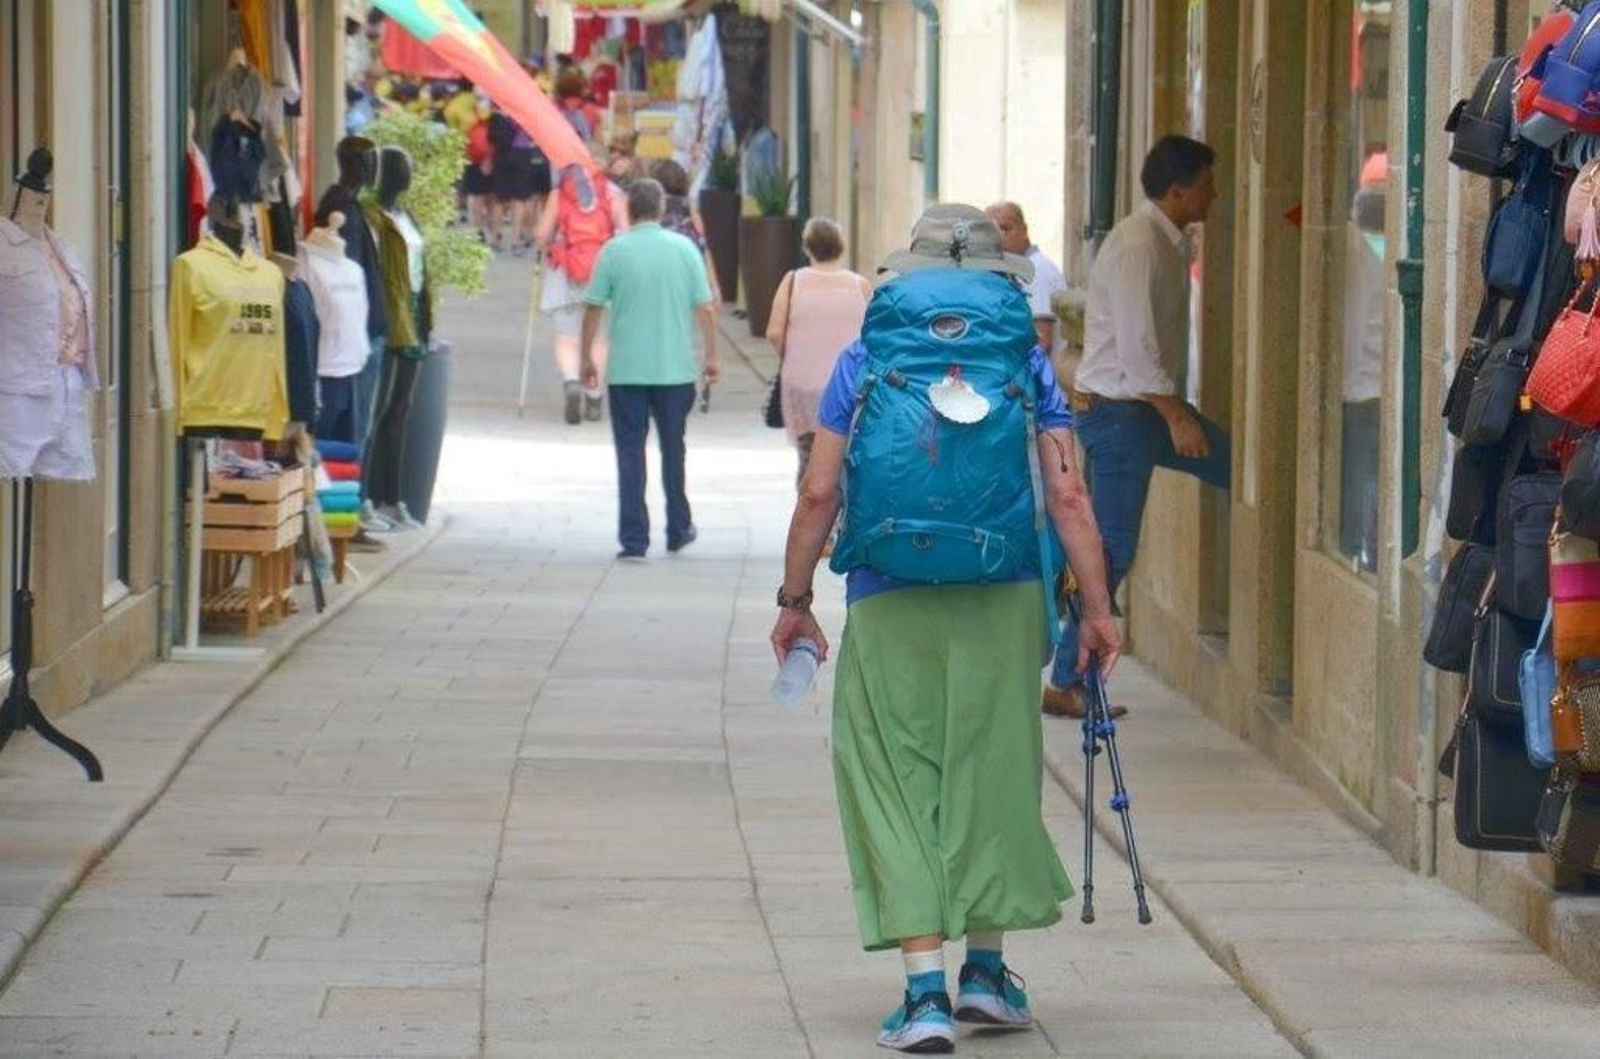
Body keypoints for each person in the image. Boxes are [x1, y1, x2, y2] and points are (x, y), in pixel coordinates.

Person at [769, 203, 1120, 1054]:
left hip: (889, 594)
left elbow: (819, 492)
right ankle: (987, 976)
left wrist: (794, 597)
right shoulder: (1026, 363)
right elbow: (1068, 494)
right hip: (1003, 595)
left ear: (909, 275)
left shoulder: (867, 359)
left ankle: (922, 991)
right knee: (993, 771)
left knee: (894, 776)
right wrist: (1100, 608)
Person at [1043, 134, 1229, 719]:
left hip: (1141, 408)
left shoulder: (1164, 241)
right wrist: (1176, 418)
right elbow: (1136, 346)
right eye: (1206, 183)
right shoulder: (1138, 247)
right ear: (1179, 191)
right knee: (1111, 545)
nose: (1215, 193)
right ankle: (1068, 677)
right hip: (1127, 414)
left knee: (1235, 468)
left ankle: (1070, 661)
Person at [580, 178, 719, 560]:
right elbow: (705, 307)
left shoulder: (614, 251)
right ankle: (678, 528)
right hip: (674, 370)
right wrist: (711, 355)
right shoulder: (684, 249)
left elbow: (593, 306)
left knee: (629, 453)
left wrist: (585, 356)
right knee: (674, 450)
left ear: (629, 209)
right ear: (660, 209)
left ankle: (633, 538)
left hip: (626, 371)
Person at [764, 217, 871, 484]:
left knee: (809, 456)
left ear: (807, 246)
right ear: (840, 246)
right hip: (849, 383)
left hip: (802, 384)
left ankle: (808, 504)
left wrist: (795, 355)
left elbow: (774, 332)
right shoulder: (859, 285)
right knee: (846, 452)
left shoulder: (793, 282)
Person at [536, 163, 629, 424]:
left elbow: (541, 235)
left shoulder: (560, 194)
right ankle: (594, 394)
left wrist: (547, 239)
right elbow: (625, 235)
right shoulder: (612, 194)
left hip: (565, 273)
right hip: (603, 273)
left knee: (567, 339)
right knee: (598, 341)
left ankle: (571, 381)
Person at [987, 201, 1069, 354]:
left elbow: (1042, 344)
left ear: (1024, 230)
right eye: (993, 233)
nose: (1000, 238)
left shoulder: (1036, 272)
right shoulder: (1013, 272)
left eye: (1006, 229)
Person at [649, 158, 718, 299]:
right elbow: (703, 246)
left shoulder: (650, 207)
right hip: (685, 277)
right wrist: (714, 287)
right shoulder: (689, 208)